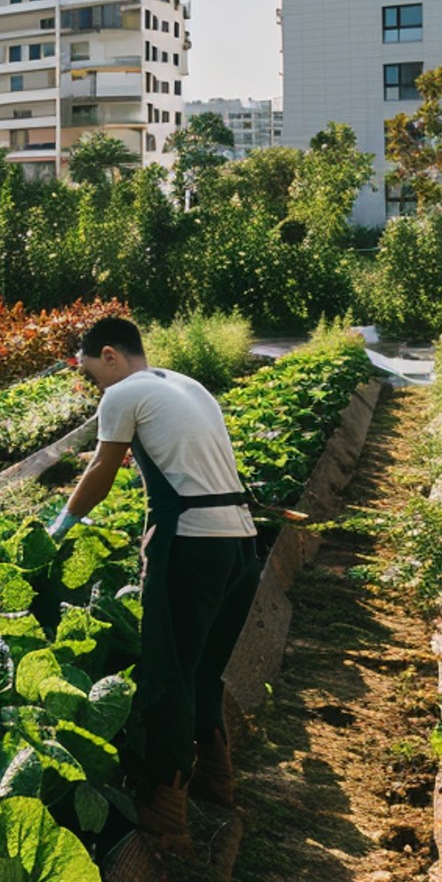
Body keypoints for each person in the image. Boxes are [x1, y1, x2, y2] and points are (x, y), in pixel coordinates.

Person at [49, 316, 261, 849]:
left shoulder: (124, 392)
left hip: (193, 541)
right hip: (240, 543)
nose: (93, 382)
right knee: (203, 670)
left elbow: (103, 468)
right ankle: (216, 782)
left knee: (167, 673)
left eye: (91, 370)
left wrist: (61, 524)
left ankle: (168, 814)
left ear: (111, 356)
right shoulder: (184, 384)